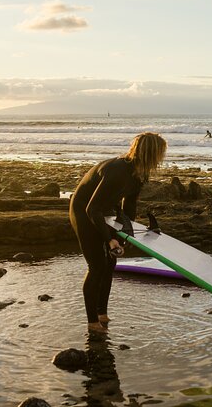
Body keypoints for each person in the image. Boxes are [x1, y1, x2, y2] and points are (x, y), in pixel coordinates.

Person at [69, 132, 167, 333]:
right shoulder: (118, 170)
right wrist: (109, 239)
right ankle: (92, 322)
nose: (161, 158)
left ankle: (102, 313)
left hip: (103, 211)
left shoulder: (139, 172)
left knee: (110, 263)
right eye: (160, 153)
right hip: (83, 211)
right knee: (96, 265)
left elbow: (129, 203)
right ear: (151, 152)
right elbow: (91, 209)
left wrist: (124, 234)